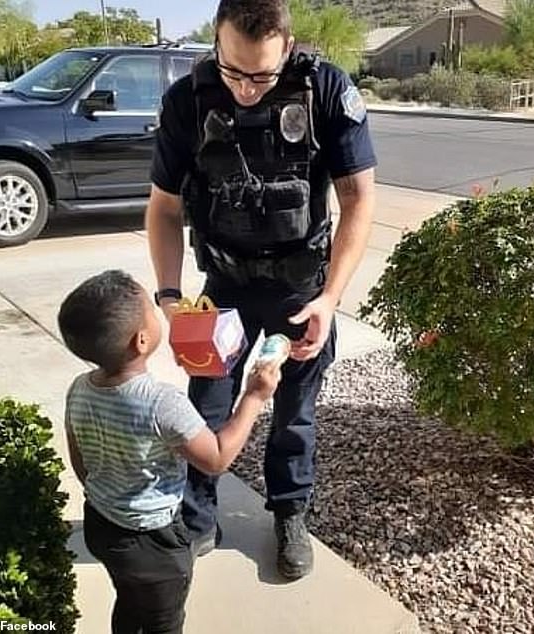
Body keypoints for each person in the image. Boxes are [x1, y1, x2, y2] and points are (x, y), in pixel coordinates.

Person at [146, 0, 376, 580]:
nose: (246, 88)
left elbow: (358, 200)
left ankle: (290, 513)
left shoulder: (325, 90)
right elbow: (165, 207)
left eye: (263, 75)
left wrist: (330, 298)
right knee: (206, 406)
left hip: (302, 288)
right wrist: (170, 297)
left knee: (295, 411)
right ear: (215, 45)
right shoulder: (188, 100)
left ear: (289, 48)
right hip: (224, 286)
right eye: (233, 70)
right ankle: (198, 518)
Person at [58, 269, 281, 634]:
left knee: (129, 598)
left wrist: (110, 494)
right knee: (163, 620)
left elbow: (80, 461)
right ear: (142, 340)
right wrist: (254, 397)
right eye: (151, 307)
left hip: (101, 524)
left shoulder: (78, 388)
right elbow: (217, 458)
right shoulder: (162, 403)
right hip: (154, 542)